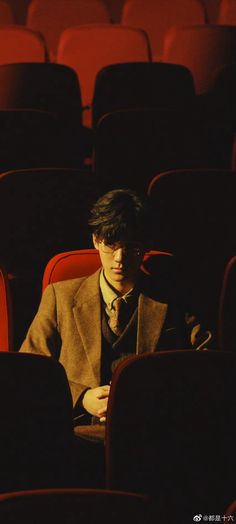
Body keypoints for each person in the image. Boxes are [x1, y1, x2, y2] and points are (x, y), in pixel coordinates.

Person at [20, 188, 212, 425]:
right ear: (96, 241)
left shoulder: (173, 299)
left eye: (132, 247)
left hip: (150, 432)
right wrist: (82, 397)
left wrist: (156, 398)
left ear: (146, 247)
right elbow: (28, 372)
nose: (120, 258)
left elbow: (209, 368)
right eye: (111, 244)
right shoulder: (60, 297)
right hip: (78, 433)